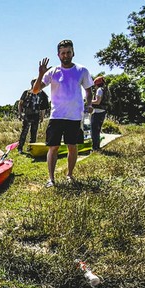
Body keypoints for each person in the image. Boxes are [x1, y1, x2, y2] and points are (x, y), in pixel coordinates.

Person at [32, 39, 94, 187]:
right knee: (53, 147)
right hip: (57, 116)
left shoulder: (82, 70)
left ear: (73, 53)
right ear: (58, 55)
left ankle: (70, 175)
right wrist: (41, 74)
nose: (66, 55)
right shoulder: (53, 72)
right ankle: (51, 179)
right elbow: (35, 90)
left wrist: (89, 104)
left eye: (68, 52)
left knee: (72, 146)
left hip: (74, 116)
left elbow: (88, 90)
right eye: (63, 53)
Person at [17, 79, 49, 154]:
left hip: (36, 116)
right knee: (24, 132)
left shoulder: (42, 94)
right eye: (34, 83)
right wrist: (20, 113)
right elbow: (20, 103)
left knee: (34, 133)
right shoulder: (26, 93)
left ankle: (32, 149)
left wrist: (42, 117)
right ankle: (20, 148)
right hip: (27, 115)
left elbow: (43, 107)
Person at [90, 76, 108, 151]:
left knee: (94, 131)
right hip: (102, 112)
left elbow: (97, 101)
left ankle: (95, 148)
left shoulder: (99, 90)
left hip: (97, 113)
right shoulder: (105, 90)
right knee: (97, 130)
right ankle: (97, 147)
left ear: (96, 84)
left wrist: (88, 101)